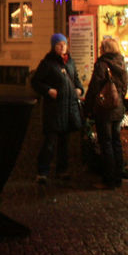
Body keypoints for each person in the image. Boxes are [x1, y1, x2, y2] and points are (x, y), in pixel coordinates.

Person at [30, 33, 84, 183]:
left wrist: (79, 90)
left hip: (68, 109)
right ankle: (42, 172)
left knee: (64, 143)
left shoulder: (70, 63)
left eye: (64, 44)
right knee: (50, 142)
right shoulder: (47, 63)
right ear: (53, 46)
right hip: (54, 109)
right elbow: (36, 82)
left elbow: (77, 81)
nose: (62, 47)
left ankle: (62, 170)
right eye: (59, 45)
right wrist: (48, 90)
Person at [83, 37, 128, 189]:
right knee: (116, 142)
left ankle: (108, 180)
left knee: (106, 143)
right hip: (118, 108)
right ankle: (118, 178)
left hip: (104, 110)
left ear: (105, 49)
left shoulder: (102, 64)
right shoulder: (121, 63)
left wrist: (87, 107)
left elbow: (95, 87)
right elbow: (125, 87)